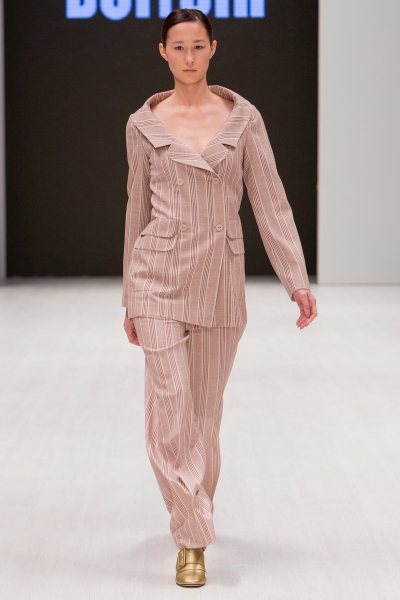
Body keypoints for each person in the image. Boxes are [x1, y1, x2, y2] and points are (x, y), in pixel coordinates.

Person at [122, 7, 317, 587]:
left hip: (219, 279)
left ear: (213, 49)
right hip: (157, 276)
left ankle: (195, 509)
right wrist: (131, 296)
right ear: (163, 53)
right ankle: (191, 539)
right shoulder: (143, 124)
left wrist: (295, 278)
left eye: (197, 46)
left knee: (203, 418)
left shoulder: (243, 119)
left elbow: (270, 200)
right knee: (171, 408)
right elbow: (137, 207)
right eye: (177, 47)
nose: (188, 57)